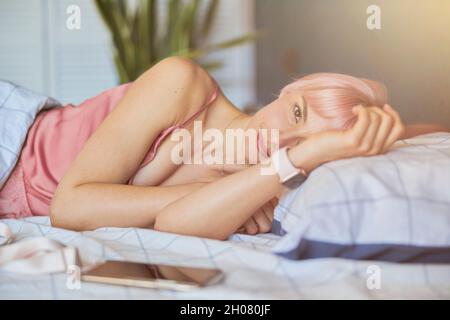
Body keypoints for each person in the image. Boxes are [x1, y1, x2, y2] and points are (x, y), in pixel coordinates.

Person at [1, 57, 448, 240]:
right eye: (295, 114)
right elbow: (70, 206)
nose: (277, 142)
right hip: (15, 137)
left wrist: (288, 167)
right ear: (290, 90)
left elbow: (174, 224)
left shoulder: (263, 184)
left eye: (302, 149)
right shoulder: (183, 82)